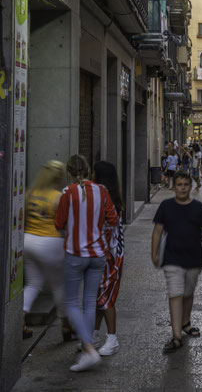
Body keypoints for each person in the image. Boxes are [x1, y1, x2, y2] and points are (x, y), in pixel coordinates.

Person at [55, 154, 118, 373]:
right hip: (98, 254)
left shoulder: (68, 193)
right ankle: (88, 344)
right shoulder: (102, 191)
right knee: (90, 302)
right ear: (89, 170)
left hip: (75, 254)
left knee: (72, 303)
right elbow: (114, 219)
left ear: (69, 172)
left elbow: (58, 222)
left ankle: (89, 349)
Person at [151, 171, 202, 353]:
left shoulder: (198, 208)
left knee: (188, 294)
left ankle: (186, 323)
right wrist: (154, 252)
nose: (182, 188)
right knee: (175, 294)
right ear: (174, 186)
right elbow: (158, 231)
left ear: (190, 187)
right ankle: (176, 336)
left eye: (186, 185)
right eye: (179, 184)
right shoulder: (166, 206)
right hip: (172, 258)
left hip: (193, 259)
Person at [23, 160, 71, 341]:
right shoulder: (57, 197)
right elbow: (64, 223)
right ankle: (66, 325)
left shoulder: (31, 193)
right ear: (58, 177)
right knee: (58, 285)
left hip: (28, 241)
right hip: (50, 242)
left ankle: (21, 317)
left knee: (34, 283)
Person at [93, 161, 125, 357]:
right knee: (99, 296)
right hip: (104, 253)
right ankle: (94, 335)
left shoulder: (105, 199)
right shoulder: (109, 197)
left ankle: (112, 338)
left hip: (111, 255)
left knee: (106, 297)